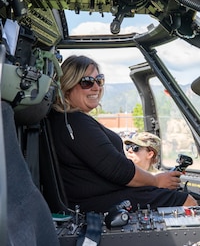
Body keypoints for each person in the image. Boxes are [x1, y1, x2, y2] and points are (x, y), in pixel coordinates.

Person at [49, 55, 197, 213]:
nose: (96, 87)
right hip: (93, 204)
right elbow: (118, 169)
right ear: (67, 86)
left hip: (100, 196)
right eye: (87, 82)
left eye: (99, 80)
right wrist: (156, 180)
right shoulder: (75, 122)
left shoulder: (69, 120)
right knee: (186, 201)